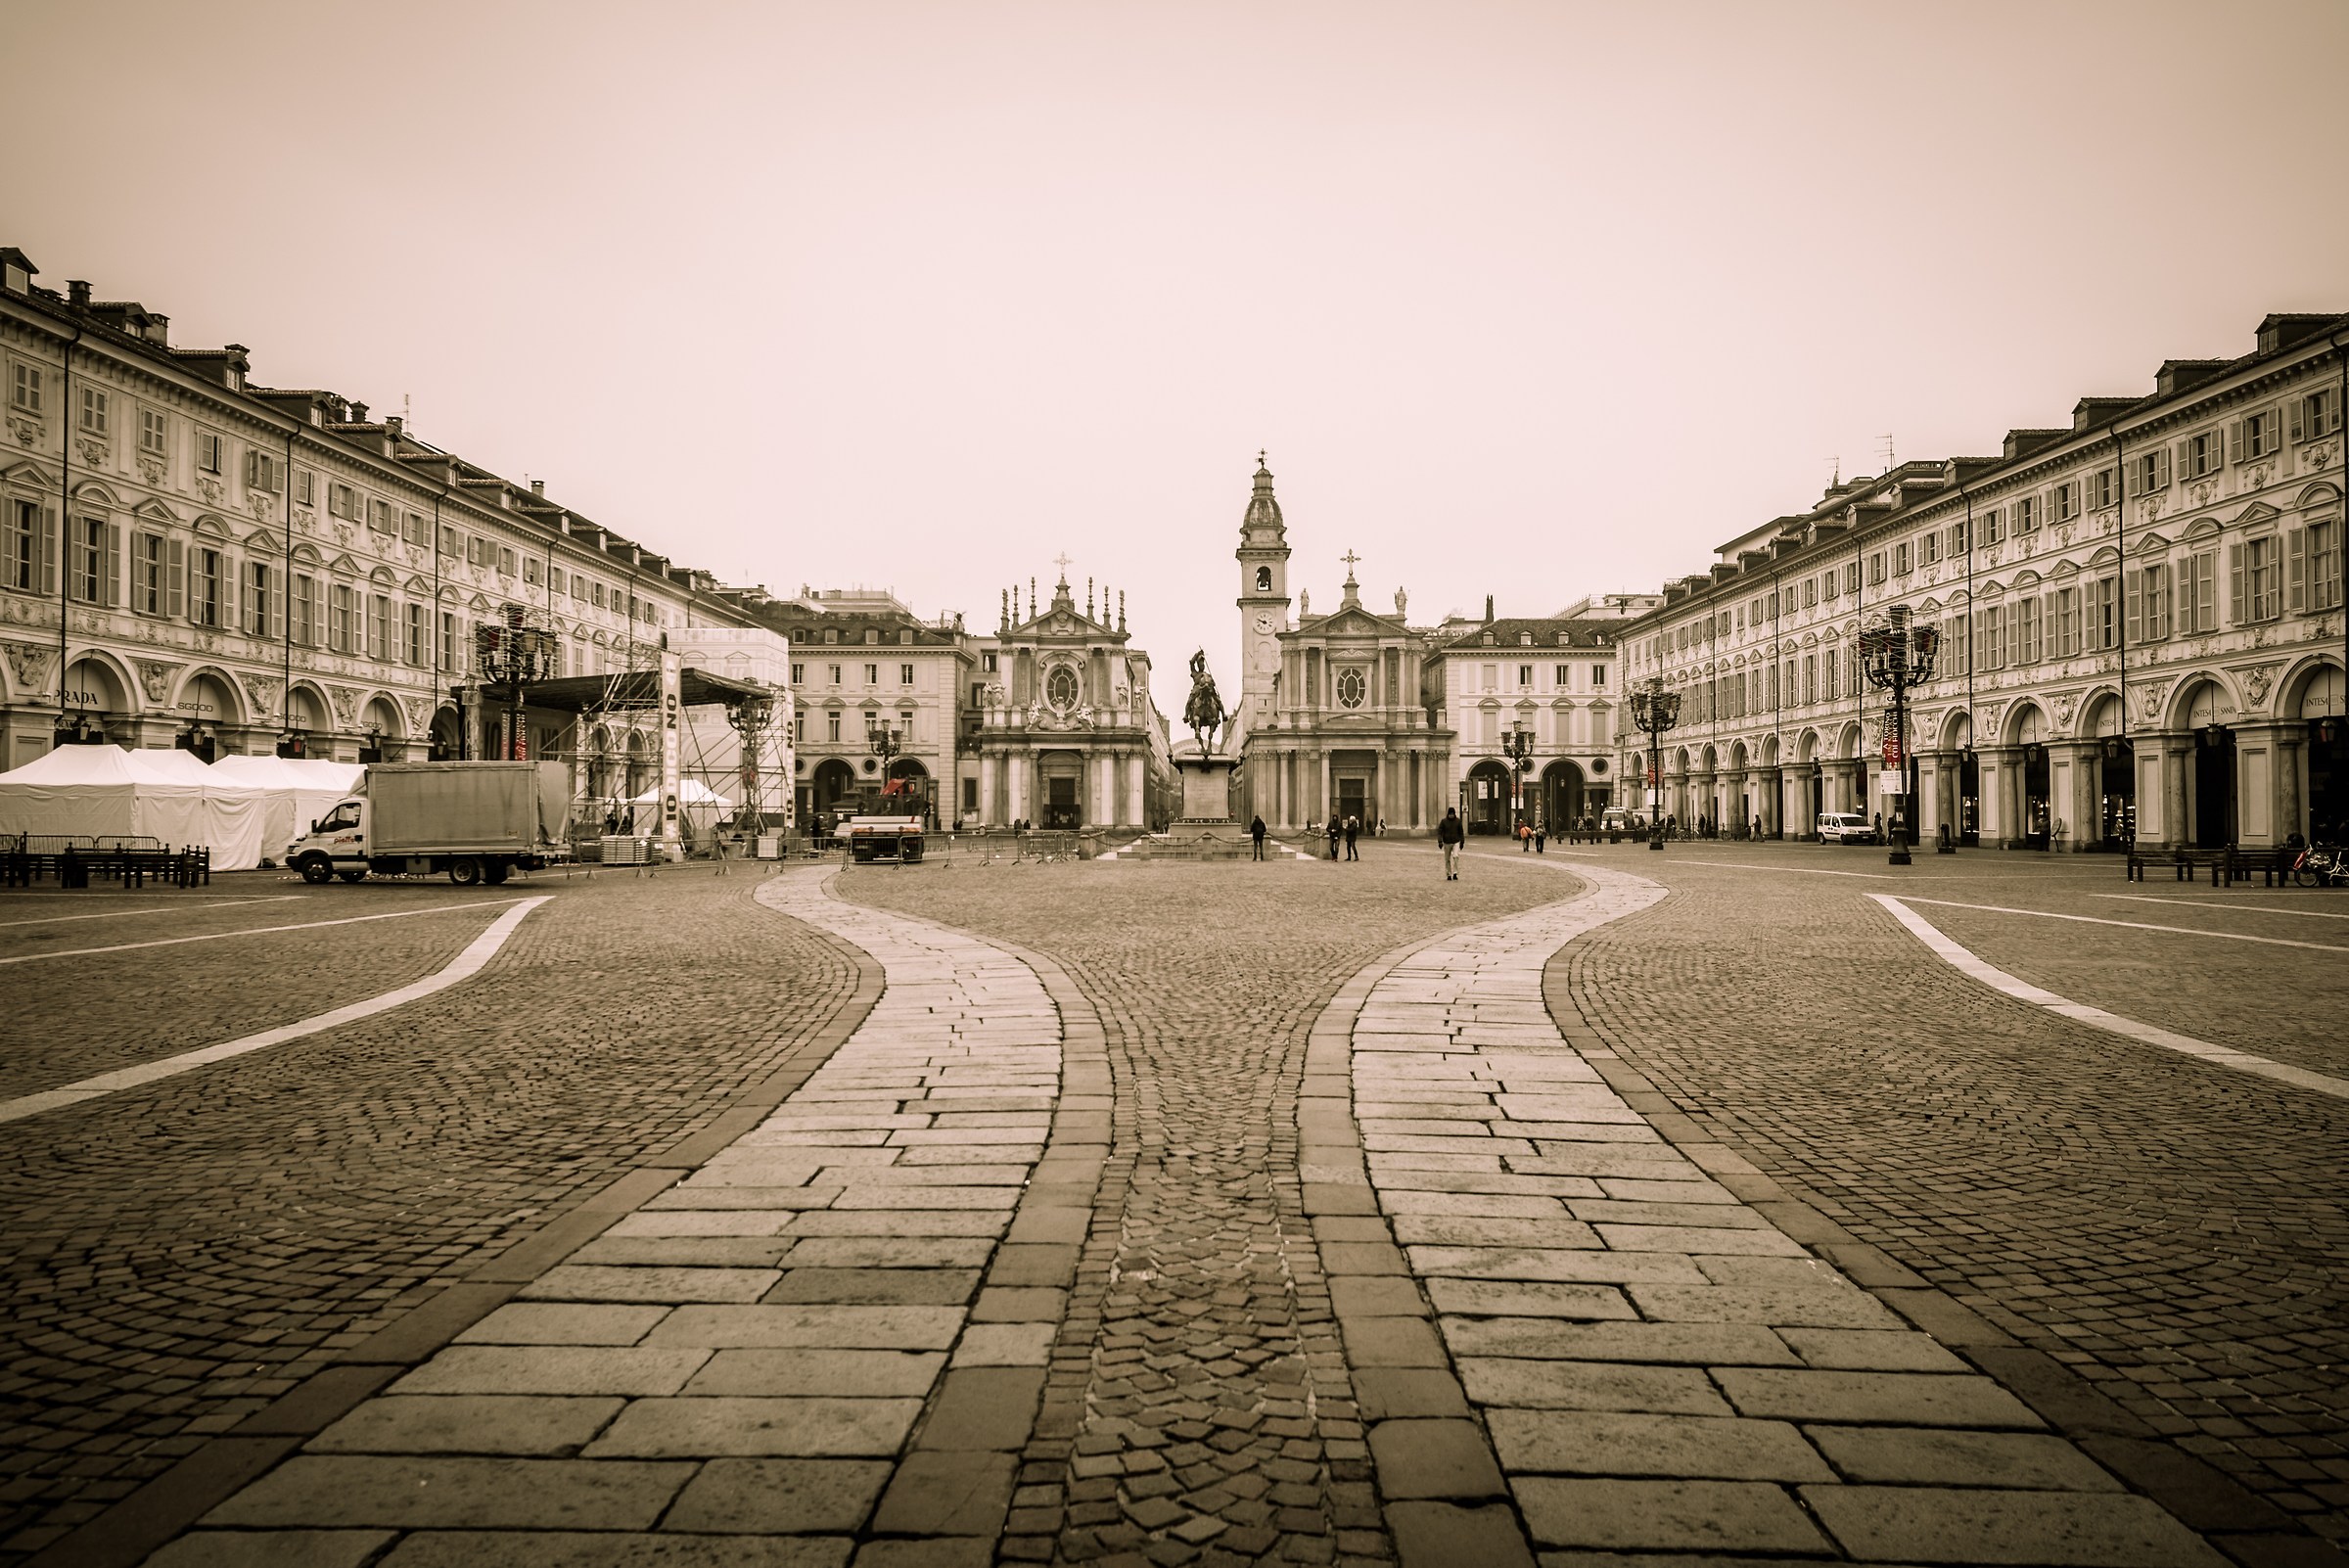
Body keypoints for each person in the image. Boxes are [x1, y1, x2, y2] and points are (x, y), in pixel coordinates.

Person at [1438, 806, 1465, 879]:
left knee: (1456, 856)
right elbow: (1440, 832)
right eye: (1450, 814)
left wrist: (1462, 842)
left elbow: (1461, 832)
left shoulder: (1458, 821)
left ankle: (1455, 873)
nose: (1451, 815)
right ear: (1448, 814)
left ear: (1454, 814)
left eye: (1452, 814)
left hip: (1456, 841)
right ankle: (1449, 874)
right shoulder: (1443, 822)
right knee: (1447, 859)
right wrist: (1440, 841)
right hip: (1446, 842)